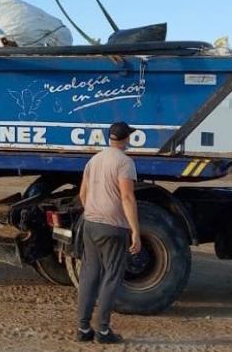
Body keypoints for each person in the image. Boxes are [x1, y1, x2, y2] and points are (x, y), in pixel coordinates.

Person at [74, 121, 142, 344]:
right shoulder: (124, 162)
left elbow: (83, 194)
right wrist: (135, 231)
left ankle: (83, 328)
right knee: (111, 276)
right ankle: (103, 331)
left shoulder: (94, 160)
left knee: (89, 275)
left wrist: (94, 213)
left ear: (110, 138)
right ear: (126, 138)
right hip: (113, 226)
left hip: (91, 224)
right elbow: (127, 197)